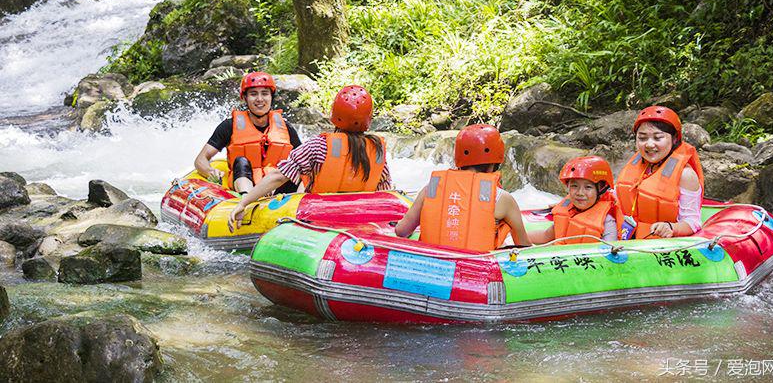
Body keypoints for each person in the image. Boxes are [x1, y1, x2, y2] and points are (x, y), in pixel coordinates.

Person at [228, 85, 392, 230]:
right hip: (359, 222)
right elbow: (384, 193)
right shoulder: (377, 151)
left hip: (316, 220)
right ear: (368, 119)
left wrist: (244, 202)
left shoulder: (319, 145)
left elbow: (279, 176)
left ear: (334, 115)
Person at [394, 124, 529, 251]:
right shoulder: (502, 198)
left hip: (431, 268)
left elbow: (401, 231)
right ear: (494, 164)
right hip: (476, 270)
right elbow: (524, 246)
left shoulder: (431, 188)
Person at [193, 71, 302, 195]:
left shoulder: (286, 128)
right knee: (241, 161)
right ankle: (248, 199)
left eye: (265, 94)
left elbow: (305, 164)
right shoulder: (229, 126)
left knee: (293, 167)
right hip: (244, 186)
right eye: (253, 94)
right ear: (245, 98)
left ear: (271, 97)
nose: (259, 99)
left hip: (275, 189)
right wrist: (210, 172)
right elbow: (200, 160)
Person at [615, 105, 705, 239]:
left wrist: (671, 227)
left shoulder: (686, 175)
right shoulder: (637, 164)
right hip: (625, 241)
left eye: (658, 138)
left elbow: (693, 223)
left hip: (660, 246)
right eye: (642, 138)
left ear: (674, 139)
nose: (649, 144)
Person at [527, 156, 618, 245]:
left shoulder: (607, 222)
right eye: (574, 186)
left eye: (588, 187)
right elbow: (546, 236)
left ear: (601, 190)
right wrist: (515, 237)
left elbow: (609, 251)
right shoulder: (568, 211)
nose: (580, 193)